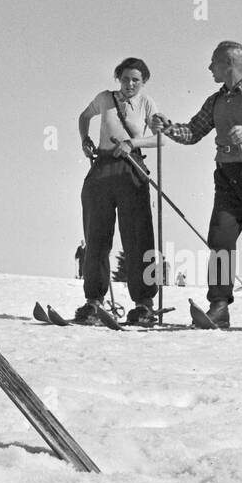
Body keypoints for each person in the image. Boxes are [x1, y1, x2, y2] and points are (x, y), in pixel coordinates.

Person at [151, 41, 242, 330]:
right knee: (220, 239)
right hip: (227, 176)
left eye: (214, 63)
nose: (209, 68)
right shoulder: (215, 101)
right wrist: (167, 127)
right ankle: (219, 307)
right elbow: (193, 131)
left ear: (229, 63)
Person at [77, 57, 160, 325]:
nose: (130, 84)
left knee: (138, 237)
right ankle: (94, 302)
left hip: (132, 168)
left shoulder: (147, 103)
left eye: (136, 80)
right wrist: (85, 139)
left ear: (143, 82)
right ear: (118, 79)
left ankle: (144, 304)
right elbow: (84, 116)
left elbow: (160, 138)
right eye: (125, 78)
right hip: (102, 168)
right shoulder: (105, 98)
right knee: (96, 236)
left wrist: (131, 142)